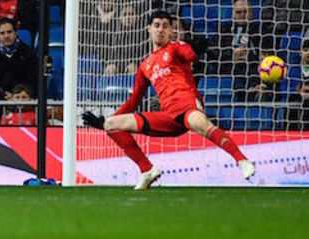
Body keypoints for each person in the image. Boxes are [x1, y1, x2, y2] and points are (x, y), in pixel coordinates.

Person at [82, 10, 256, 189]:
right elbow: (134, 100)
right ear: (148, 29)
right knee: (112, 124)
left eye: (165, 26)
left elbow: (189, 54)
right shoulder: (145, 65)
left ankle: (242, 160)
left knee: (201, 124)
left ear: (171, 31)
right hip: (168, 117)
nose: (160, 30)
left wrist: (195, 50)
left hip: (187, 107)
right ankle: (147, 170)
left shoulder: (175, 48)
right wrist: (104, 122)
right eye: (156, 25)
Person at [0, 18, 38, 92]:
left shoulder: (28, 54)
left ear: (15, 33)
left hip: (23, 98)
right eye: (2, 33)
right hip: (1, 99)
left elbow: (33, 81)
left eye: (9, 32)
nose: (6, 36)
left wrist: (17, 94)